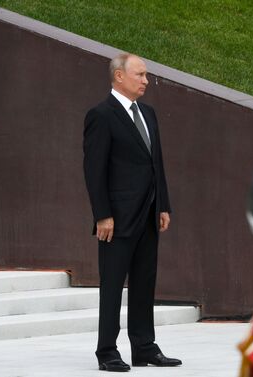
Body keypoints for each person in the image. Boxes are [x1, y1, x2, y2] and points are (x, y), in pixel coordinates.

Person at [83, 53, 181, 371]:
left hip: (149, 214)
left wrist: (163, 203)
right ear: (119, 77)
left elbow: (157, 163)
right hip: (117, 219)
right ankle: (107, 351)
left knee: (144, 282)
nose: (146, 80)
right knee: (112, 284)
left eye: (146, 75)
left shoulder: (148, 113)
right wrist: (102, 214)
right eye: (139, 74)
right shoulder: (101, 115)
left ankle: (144, 347)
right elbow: (94, 170)